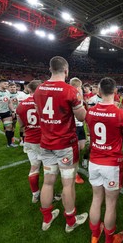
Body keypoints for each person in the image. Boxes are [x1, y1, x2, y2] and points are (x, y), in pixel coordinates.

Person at [33, 56, 88, 232]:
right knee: (67, 184)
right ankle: (70, 221)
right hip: (65, 145)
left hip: (46, 143)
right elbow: (81, 117)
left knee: (48, 182)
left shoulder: (39, 89)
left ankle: (46, 219)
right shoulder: (70, 90)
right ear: (66, 71)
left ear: (50, 69)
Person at [86, 77, 123, 243]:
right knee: (110, 204)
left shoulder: (90, 111)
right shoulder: (120, 113)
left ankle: (95, 235)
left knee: (96, 199)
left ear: (99, 91)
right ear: (115, 92)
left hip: (95, 161)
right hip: (112, 164)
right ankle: (109, 239)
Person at [16, 80, 43, 203]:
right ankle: (49, 195)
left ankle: (35, 193)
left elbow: (21, 125)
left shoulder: (21, 104)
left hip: (29, 139)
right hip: (42, 140)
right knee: (50, 169)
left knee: (34, 167)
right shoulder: (43, 102)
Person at [70, 77, 88, 184]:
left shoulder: (79, 95)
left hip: (80, 125)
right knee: (75, 149)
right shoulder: (71, 95)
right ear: (77, 87)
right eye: (80, 87)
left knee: (81, 146)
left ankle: (73, 165)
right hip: (73, 126)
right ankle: (75, 173)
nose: (81, 89)